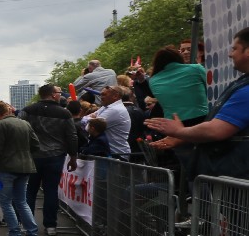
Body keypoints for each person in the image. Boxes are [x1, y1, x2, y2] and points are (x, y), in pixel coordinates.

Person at [146, 26, 249, 181]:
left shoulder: (153, 80)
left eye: (234, 49)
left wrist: (180, 132)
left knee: (196, 179)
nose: (229, 54)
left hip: (184, 128)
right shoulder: (198, 70)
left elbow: (216, 130)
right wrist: (182, 134)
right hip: (196, 126)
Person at [21, 84, 79, 236]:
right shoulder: (64, 113)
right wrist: (73, 156)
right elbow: (72, 136)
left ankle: (27, 224)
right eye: (59, 92)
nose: (61, 95)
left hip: (33, 156)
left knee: (30, 190)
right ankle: (51, 225)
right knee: (51, 190)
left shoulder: (28, 110)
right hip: (55, 156)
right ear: (53, 94)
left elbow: (20, 130)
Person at [0, 101, 39, 236]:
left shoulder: (0, 125)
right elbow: (36, 145)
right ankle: (32, 235)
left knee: (6, 203)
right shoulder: (25, 124)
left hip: (6, 168)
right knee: (22, 202)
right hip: (25, 167)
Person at [93, 85, 132, 158]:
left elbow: (90, 127)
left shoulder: (115, 109)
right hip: (110, 153)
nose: (101, 97)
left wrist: (91, 118)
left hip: (116, 155)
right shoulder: (106, 107)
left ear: (115, 96)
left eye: (104, 95)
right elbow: (86, 120)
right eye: (101, 94)